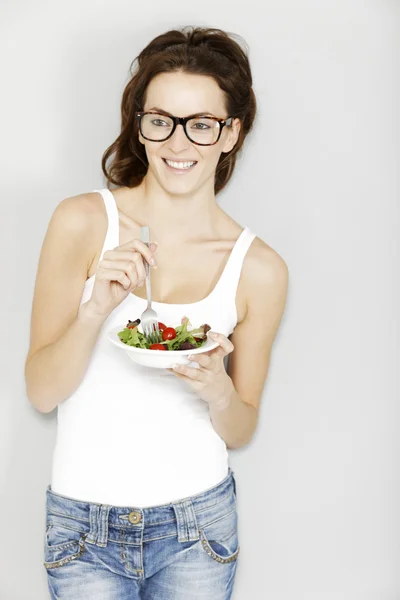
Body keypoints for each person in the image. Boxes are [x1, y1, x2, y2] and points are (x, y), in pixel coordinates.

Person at [25, 26, 288, 600]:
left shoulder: (259, 268)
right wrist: (95, 310)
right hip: (82, 527)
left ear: (230, 133)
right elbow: (42, 392)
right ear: (140, 124)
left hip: (198, 529)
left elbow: (240, 427)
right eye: (160, 119)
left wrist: (217, 390)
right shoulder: (82, 222)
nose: (178, 143)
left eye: (202, 124)